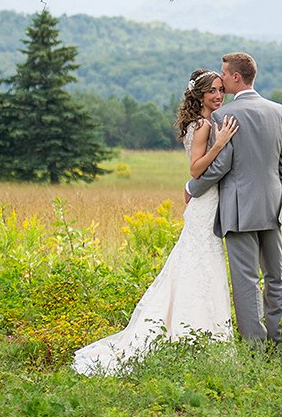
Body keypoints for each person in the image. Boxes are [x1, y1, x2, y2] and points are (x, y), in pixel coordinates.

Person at [72, 69, 239, 376]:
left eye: (221, 90)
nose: (219, 95)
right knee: (201, 264)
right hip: (205, 205)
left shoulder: (201, 122)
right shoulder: (202, 125)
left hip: (206, 203)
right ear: (200, 95)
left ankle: (197, 333)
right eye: (213, 91)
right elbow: (195, 169)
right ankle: (197, 336)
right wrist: (220, 144)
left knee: (197, 266)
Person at [185, 52, 282, 348]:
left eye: (224, 74)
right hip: (272, 207)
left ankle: (255, 347)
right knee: (277, 276)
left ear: (236, 77)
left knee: (246, 281)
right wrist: (276, 194)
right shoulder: (279, 111)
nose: (221, 80)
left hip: (239, 210)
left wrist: (192, 188)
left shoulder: (224, 117)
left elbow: (221, 166)